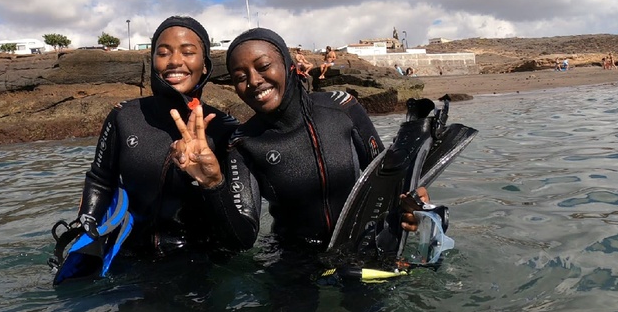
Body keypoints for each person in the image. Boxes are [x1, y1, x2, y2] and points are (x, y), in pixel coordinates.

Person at [173, 28, 429, 253]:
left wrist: (412, 207)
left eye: (263, 67)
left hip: (361, 247)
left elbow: (388, 181)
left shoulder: (342, 108)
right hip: (293, 262)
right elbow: (242, 239)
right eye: (240, 77)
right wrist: (213, 184)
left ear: (288, 65)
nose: (253, 81)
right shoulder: (243, 142)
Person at [70, 16, 252, 267]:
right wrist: (85, 224)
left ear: (206, 65)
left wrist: (213, 183)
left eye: (188, 52)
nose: (175, 61)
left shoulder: (224, 129)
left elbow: (241, 238)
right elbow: (101, 179)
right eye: (163, 53)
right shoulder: (124, 117)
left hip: (200, 267)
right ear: (153, 60)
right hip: (131, 262)